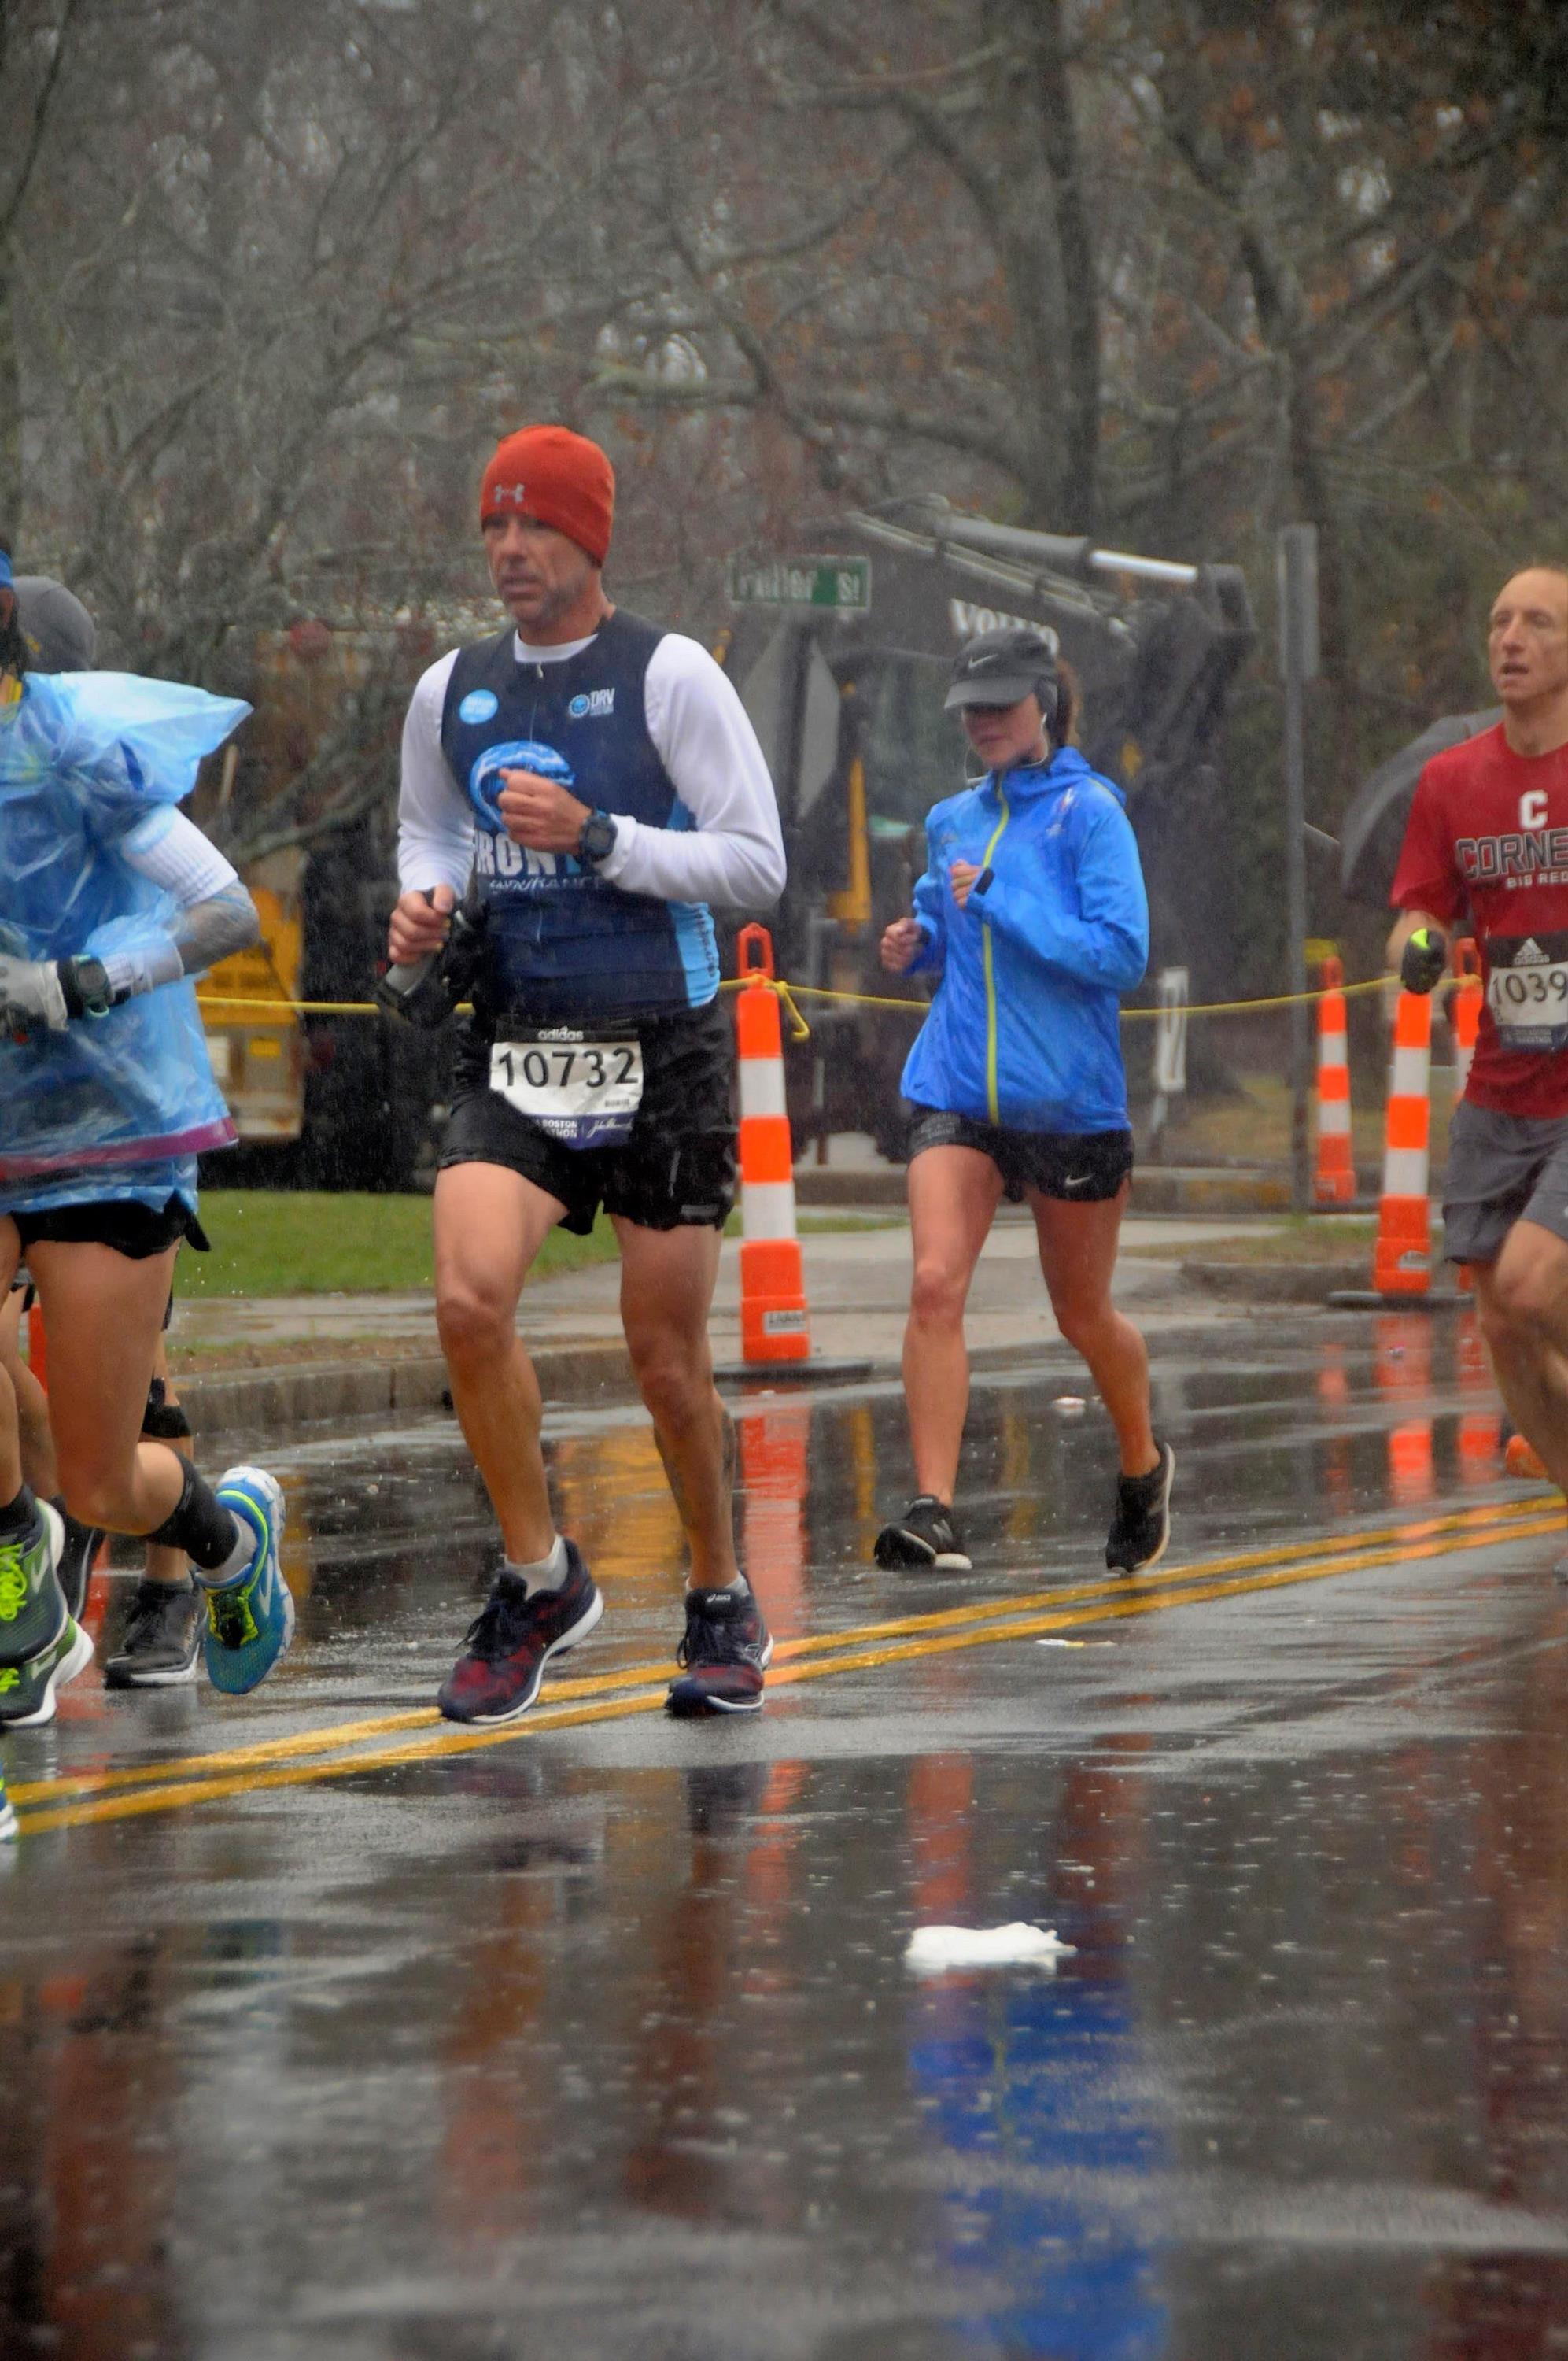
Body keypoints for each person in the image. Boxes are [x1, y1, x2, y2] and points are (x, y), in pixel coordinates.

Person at [389, 423, 786, 1724]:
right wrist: (423, 903)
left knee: (663, 1362)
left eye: (536, 529)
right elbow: (428, 828)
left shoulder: (667, 675)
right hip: (514, 1041)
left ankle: (720, 1596)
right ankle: (536, 1576)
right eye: (494, 528)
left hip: (657, 1048)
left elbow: (751, 862)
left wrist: (605, 836)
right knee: (465, 1300)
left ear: (589, 540)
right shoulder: (450, 689)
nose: (509, 551)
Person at [0, 547, 293, 1842]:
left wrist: (78, 983)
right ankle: (20, 1572)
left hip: (105, 1127)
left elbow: (226, 910)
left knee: (102, 1474)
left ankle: (222, 1541)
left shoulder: (74, 750)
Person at [875, 624, 1173, 1576]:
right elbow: (942, 913)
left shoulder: (1090, 816)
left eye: (1001, 705)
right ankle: (933, 1510)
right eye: (971, 710)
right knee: (933, 1282)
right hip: (958, 1087)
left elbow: (1118, 955)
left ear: (1046, 704)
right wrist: (917, 940)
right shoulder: (950, 819)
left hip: (1068, 1103)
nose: (984, 724)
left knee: (1081, 1317)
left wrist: (1002, 900)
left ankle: (1142, 1462)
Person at [1389, 562, 1568, 1531]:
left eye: (1537, 623)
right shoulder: (1451, 781)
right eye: (1499, 621)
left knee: (1537, 1280)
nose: (1510, 639)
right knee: (1499, 1318)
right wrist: (1416, 946)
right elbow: (1417, 910)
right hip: (1502, 1090)